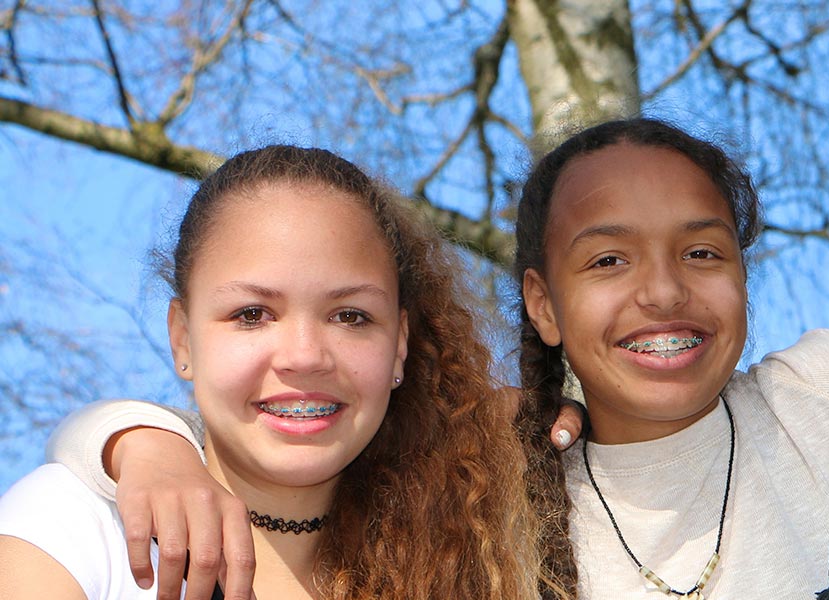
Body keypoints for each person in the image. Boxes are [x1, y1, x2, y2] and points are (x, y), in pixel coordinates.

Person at [45, 120, 829, 599]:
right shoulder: (498, 492)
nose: (661, 293)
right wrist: (140, 438)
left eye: (702, 252)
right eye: (607, 260)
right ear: (542, 303)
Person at [0, 146, 548, 599]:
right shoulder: (75, 530)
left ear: (399, 344)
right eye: (252, 315)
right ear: (183, 338)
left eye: (350, 316)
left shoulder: (494, 542)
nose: (305, 356)